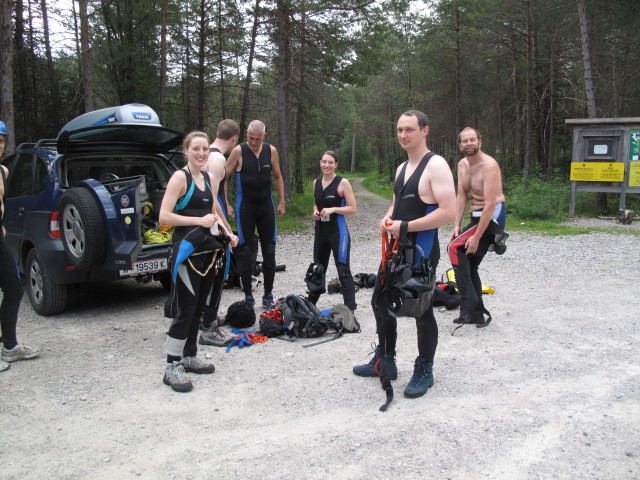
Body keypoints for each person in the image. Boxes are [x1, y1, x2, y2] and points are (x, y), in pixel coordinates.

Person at [353, 110, 456, 399]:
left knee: (422, 311)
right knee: (379, 301)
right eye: (399, 130)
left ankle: (425, 368)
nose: (403, 135)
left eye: (409, 129)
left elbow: (449, 212)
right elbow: (396, 206)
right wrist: (387, 219)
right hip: (396, 251)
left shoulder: (435, 165)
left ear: (425, 131)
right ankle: (385, 361)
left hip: (422, 253)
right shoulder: (401, 168)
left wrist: (405, 226)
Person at [160, 131, 238, 392]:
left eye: (205, 148)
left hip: (208, 254)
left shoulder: (207, 177)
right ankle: (171, 368)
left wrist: (227, 232)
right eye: (196, 149)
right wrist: (197, 221)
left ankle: (189, 356)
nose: (202, 153)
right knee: (184, 312)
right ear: (186, 151)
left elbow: (213, 210)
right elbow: (164, 216)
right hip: (186, 256)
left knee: (199, 310)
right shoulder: (179, 178)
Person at [447, 127, 507, 328]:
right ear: (460, 145)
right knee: (470, 264)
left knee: (454, 249)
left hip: (492, 215)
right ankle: (476, 314)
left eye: (472, 140)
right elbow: (461, 195)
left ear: (480, 142)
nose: (469, 143)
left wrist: (476, 236)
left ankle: (468, 301)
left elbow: (490, 204)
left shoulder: (489, 165)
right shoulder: (462, 164)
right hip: (475, 216)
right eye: (465, 141)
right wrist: (456, 224)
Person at [224, 120, 285, 310]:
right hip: (246, 207)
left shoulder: (271, 151)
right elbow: (222, 177)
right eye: (250, 138)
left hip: (266, 206)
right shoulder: (238, 151)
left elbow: (277, 176)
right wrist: (225, 203)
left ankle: (268, 294)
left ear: (263, 137)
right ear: (247, 134)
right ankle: (248, 295)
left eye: (257, 139)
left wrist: (282, 201)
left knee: (270, 251)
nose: (253, 142)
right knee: (245, 251)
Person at [0, 120, 41, 372]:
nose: (0, 144)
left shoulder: (3, 171)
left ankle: (10, 346)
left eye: (2, 140)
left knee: (14, 289)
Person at [199, 119, 240, 347]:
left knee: (209, 273)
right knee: (215, 273)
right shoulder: (216, 159)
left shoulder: (210, 156)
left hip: (208, 222)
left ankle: (207, 318)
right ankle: (209, 328)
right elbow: (211, 201)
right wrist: (226, 230)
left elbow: (214, 195)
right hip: (210, 226)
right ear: (234, 138)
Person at [307, 151, 357, 311]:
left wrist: (333, 209)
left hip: (338, 232)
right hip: (320, 232)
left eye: (330, 162)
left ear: (336, 164)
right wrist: (315, 211)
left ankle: (350, 308)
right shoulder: (316, 182)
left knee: (343, 270)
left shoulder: (343, 183)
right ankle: (310, 305)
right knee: (318, 269)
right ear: (320, 162)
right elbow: (317, 204)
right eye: (324, 162)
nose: (326, 165)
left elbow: (352, 209)